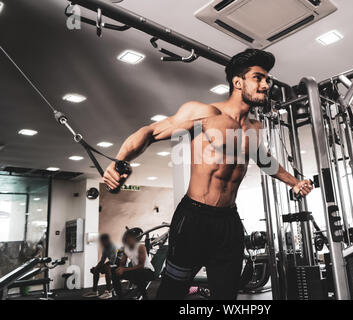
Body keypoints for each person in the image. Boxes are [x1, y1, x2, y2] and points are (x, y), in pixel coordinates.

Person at [103, 49, 313, 300]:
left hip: (229, 221)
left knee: (226, 294)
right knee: (172, 292)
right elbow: (151, 132)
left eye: (267, 79)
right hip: (193, 218)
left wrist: (295, 182)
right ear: (238, 82)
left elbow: (266, 161)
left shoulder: (255, 127)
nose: (266, 84)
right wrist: (120, 161)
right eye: (258, 78)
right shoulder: (204, 113)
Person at [112, 228, 155, 300]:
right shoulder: (126, 249)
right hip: (136, 271)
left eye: (129, 238)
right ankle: (120, 297)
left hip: (148, 272)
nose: (127, 240)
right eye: (127, 238)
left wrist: (124, 269)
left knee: (138, 273)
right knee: (114, 271)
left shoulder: (141, 247)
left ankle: (145, 297)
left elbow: (141, 266)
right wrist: (120, 268)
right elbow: (122, 263)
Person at [83, 233, 118, 299]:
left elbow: (113, 261)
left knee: (107, 268)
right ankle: (95, 291)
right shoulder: (105, 248)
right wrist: (96, 267)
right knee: (96, 270)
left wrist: (102, 266)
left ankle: (108, 292)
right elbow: (102, 260)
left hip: (120, 263)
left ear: (107, 240)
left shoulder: (113, 246)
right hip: (112, 263)